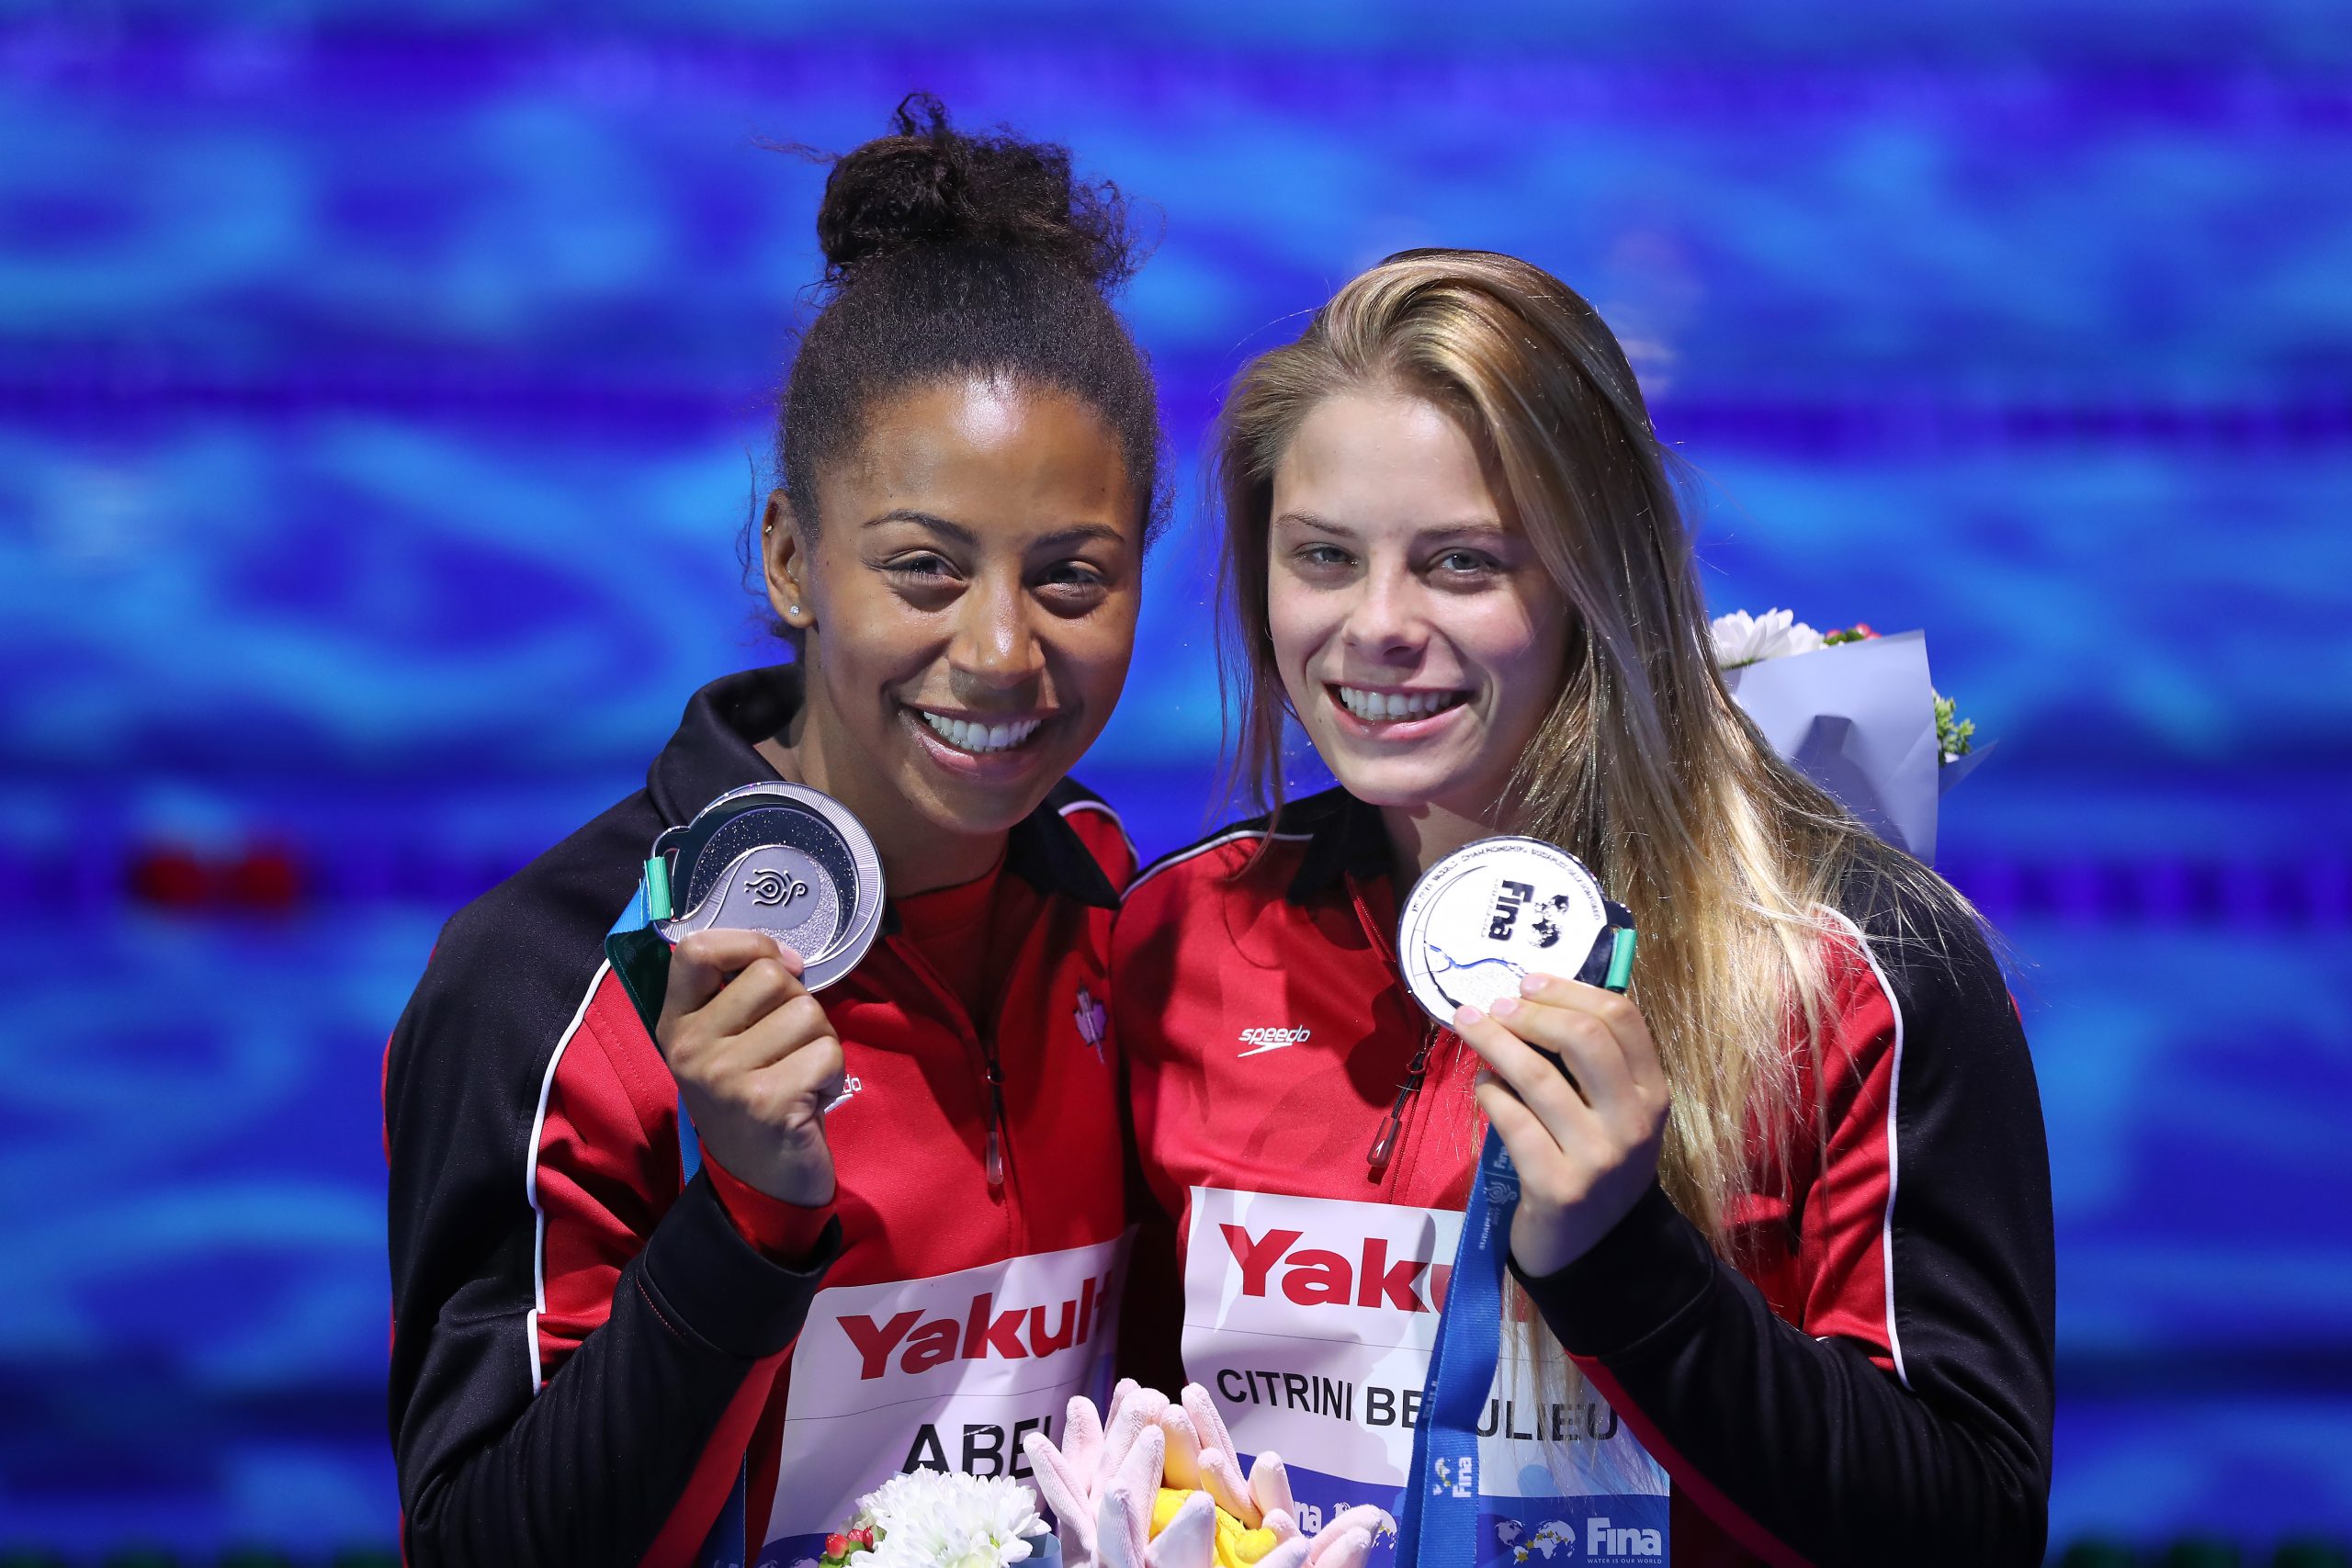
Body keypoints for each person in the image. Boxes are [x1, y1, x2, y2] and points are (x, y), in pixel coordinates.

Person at [1114, 250, 2053, 1565]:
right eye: (1324, 556)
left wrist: (1626, 1264)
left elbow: (1970, 1523)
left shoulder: (1854, 968)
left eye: (1460, 564)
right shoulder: (1183, 934)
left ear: (1592, 578)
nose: (1375, 624)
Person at [384, 96, 1165, 1568]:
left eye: (1073, 578)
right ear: (793, 560)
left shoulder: (1103, 888)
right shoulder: (548, 985)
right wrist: (745, 1215)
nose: (1002, 650)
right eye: (925, 568)